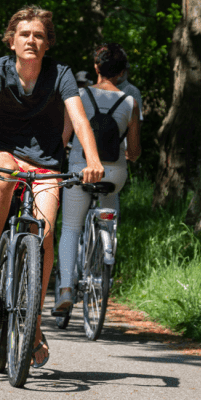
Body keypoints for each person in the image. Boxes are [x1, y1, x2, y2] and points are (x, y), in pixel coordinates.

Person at [0, 6, 104, 368]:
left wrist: (93, 160)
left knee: (47, 229)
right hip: (2, 153)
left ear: (47, 43)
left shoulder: (61, 75)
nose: (31, 41)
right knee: (5, 174)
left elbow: (80, 121)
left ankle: (34, 325)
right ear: (12, 40)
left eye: (39, 35)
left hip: (46, 163)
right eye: (24, 35)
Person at [55, 43, 141, 313]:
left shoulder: (78, 96)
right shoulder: (130, 102)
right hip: (113, 173)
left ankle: (66, 288)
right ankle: (106, 251)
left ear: (96, 67)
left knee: (70, 227)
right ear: (122, 73)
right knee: (109, 205)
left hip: (81, 169)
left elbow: (64, 138)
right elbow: (135, 151)